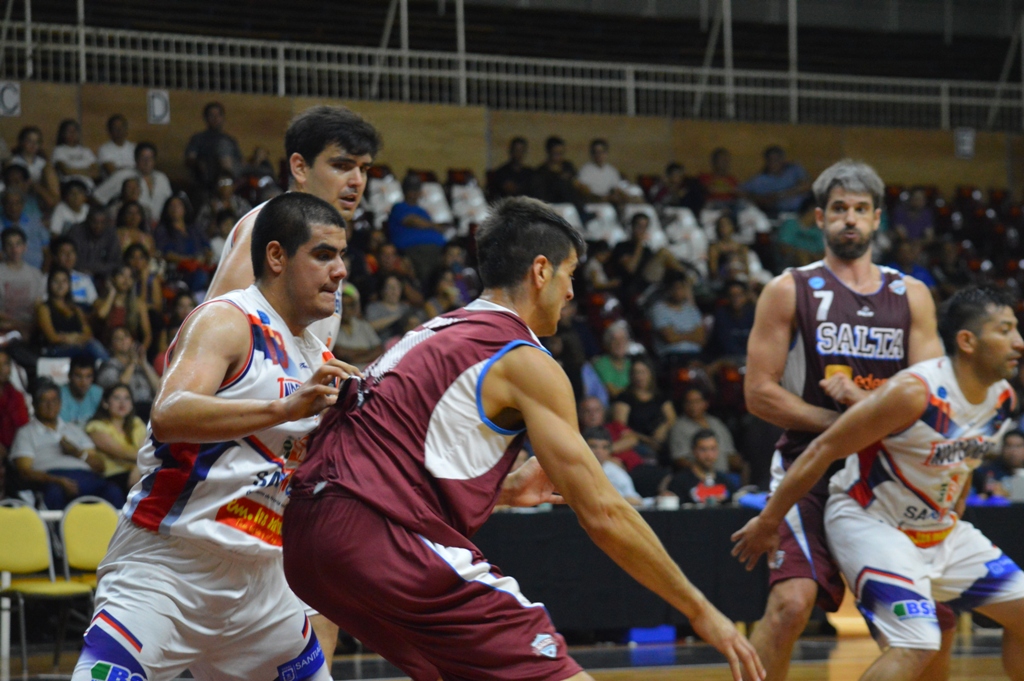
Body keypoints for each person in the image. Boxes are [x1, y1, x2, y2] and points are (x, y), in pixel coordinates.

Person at [281, 196, 764, 681]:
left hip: (306, 540)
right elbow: (603, 512)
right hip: (377, 536)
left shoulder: (431, 333)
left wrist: (502, 490)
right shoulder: (521, 357)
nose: (571, 292)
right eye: (569, 274)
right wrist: (699, 608)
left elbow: (387, 455)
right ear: (541, 270)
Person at [70, 192, 355, 681]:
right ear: (276, 256)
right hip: (168, 568)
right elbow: (169, 413)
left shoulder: (318, 358)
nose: (341, 271)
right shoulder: (227, 320)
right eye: (324, 255)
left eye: (342, 256)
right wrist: (281, 409)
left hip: (261, 585)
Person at [733, 286, 1024, 681]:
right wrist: (769, 520)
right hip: (872, 522)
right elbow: (821, 449)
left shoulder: (1003, 399)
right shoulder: (915, 392)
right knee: (918, 642)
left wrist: (954, 510)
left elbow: (964, 460)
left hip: (937, 530)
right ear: (967, 341)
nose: (1019, 342)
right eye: (1005, 330)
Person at [741, 159, 946, 681]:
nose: (848, 219)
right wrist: (842, 425)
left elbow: (933, 399)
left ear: (877, 218)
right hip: (808, 467)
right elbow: (759, 394)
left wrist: (864, 415)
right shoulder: (789, 288)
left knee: (921, 624)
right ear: (819, 218)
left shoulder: (911, 295)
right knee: (791, 604)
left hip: (888, 475)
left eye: (859, 209)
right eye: (838, 209)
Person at [207, 104, 380, 353]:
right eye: (342, 166)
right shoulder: (269, 225)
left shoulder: (323, 237)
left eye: (363, 169)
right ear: (300, 167)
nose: (357, 181)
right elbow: (210, 331)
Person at [10, 381, 124, 510]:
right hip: (51, 479)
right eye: (44, 401)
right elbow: (24, 472)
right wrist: (57, 480)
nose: (50, 405)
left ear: (60, 403)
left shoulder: (74, 429)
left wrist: (77, 453)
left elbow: (100, 466)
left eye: (54, 400)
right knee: (55, 492)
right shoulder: (26, 432)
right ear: (34, 405)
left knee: (112, 490)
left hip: (86, 477)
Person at [35, 267, 108, 362]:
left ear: (69, 284)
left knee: (93, 344)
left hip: (77, 346)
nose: (60, 285)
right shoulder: (44, 308)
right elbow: (52, 337)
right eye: (56, 281)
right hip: (55, 350)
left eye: (64, 281)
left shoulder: (76, 309)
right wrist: (68, 338)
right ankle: (108, 366)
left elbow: (88, 333)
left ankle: (107, 366)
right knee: (92, 347)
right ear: (49, 284)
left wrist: (76, 338)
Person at [387, 173, 448, 284]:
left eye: (416, 190)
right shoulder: (399, 207)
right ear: (405, 191)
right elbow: (411, 220)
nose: (414, 193)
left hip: (436, 249)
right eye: (411, 190)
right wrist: (434, 226)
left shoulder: (422, 211)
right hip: (415, 250)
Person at [85, 383, 145, 494]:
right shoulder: (96, 426)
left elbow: (145, 450)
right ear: (105, 403)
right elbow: (121, 453)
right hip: (113, 477)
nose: (122, 403)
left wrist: (137, 468)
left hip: (138, 471)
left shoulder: (137, 423)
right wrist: (142, 463)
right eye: (116, 398)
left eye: (127, 398)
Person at [669, 387, 740, 474]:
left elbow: (730, 453)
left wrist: (740, 464)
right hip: (697, 477)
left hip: (724, 474)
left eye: (697, 401)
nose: (693, 405)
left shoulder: (716, 423)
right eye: (689, 402)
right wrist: (700, 473)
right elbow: (679, 459)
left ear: (706, 403)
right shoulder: (679, 427)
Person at [184, 101, 243, 193]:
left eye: (218, 115)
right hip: (208, 179)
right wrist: (199, 163)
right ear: (206, 118)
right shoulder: (198, 138)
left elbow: (239, 161)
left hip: (232, 181)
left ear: (223, 118)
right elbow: (190, 158)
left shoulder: (230, 140)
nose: (215, 119)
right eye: (212, 115)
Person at [667, 429, 737, 504]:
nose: (709, 455)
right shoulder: (680, 482)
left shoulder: (725, 481)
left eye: (713, 449)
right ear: (694, 451)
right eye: (703, 450)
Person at [740, 146, 810, 217]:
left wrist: (780, 195)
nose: (774, 163)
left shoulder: (794, 169)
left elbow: (806, 186)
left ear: (783, 159)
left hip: (802, 210)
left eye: (777, 159)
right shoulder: (760, 179)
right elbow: (740, 191)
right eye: (770, 160)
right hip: (777, 212)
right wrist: (760, 199)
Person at [584, 426, 643, 507]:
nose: (599, 451)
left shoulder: (616, 471)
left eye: (604, 447)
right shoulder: (574, 471)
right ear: (583, 447)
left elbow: (635, 499)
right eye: (593, 446)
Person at [973, 428, 1024, 498]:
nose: (1013, 451)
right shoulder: (988, 471)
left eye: (1018, 446)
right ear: (1002, 448)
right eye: (1009, 446)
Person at [52, 119, 99, 188]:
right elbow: (66, 171)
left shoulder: (86, 151)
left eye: (75, 131)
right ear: (63, 133)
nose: (72, 134)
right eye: (69, 131)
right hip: (70, 185)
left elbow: (96, 173)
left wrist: (74, 170)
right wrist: (86, 171)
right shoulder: (58, 150)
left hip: (90, 185)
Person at [60, 355, 103, 427]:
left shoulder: (98, 393)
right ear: (69, 376)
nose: (83, 382)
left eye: (88, 376)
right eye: (78, 376)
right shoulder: (59, 395)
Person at [97, 114, 136, 178]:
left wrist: (120, 168)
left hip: (134, 181)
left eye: (121, 127)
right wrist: (131, 169)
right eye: (115, 128)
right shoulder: (104, 149)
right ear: (110, 131)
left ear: (126, 129)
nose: (119, 130)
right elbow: (112, 172)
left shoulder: (134, 147)